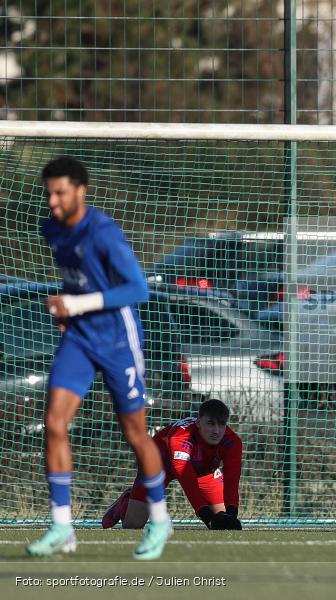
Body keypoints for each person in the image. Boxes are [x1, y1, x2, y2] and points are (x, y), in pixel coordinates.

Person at [26, 156, 172, 560]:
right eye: (49, 193)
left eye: (60, 193)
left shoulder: (104, 232)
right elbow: (75, 277)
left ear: (80, 191)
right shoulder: (51, 229)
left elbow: (138, 289)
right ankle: (61, 526)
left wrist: (77, 303)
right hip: (79, 339)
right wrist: (65, 308)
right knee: (53, 423)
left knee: (135, 434)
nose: (53, 201)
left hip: (117, 342)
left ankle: (159, 519)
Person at [102, 399, 243, 530]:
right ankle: (127, 500)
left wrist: (232, 515)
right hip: (159, 464)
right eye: (210, 423)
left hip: (203, 471)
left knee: (223, 518)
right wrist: (208, 518)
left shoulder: (232, 442)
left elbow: (232, 481)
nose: (216, 431)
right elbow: (187, 481)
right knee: (133, 525)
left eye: (222, 424)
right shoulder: (180, 438)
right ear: (199, 423)